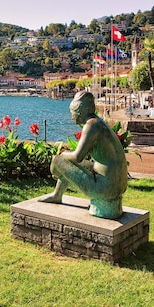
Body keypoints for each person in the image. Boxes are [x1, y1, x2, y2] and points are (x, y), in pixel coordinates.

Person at [39, 91, 128, 219]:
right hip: (118, 184)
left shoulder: (91, 126)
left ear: (79, 112)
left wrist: (62, 155)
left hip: (105, 187)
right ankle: (57, 195)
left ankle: (57, 192)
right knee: (65, 162)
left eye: (72, 113)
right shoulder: (99, 122)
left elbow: (77, 157)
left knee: (57, 159)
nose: (71, 117)